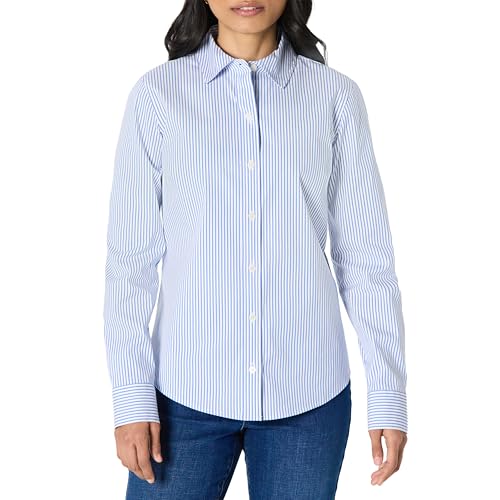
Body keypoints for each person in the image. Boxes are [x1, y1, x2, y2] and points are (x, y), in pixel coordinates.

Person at [103, 1, 408, 498]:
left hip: (309, 396)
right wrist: (131, 397)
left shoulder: (334, 97)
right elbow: (129, 264)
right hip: (182, 398)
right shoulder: (158, 96)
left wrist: (389, 393)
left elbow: (366, 259)